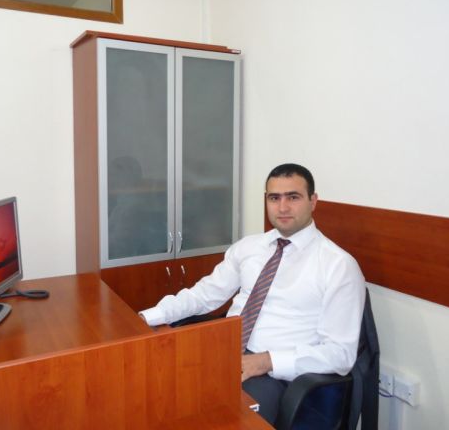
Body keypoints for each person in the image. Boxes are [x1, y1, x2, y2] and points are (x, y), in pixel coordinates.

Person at [139, 163, 366, 427]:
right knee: (155, 397)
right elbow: (204, 294)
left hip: (274, 375)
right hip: (223, 352)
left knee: (217, 419)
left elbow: (340, 354)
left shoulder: (338, 265)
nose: (282, 207)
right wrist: (148, 317)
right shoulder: (249, 247)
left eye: (293, 197)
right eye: (274, 198)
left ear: (313, 201)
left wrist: (265, 361)